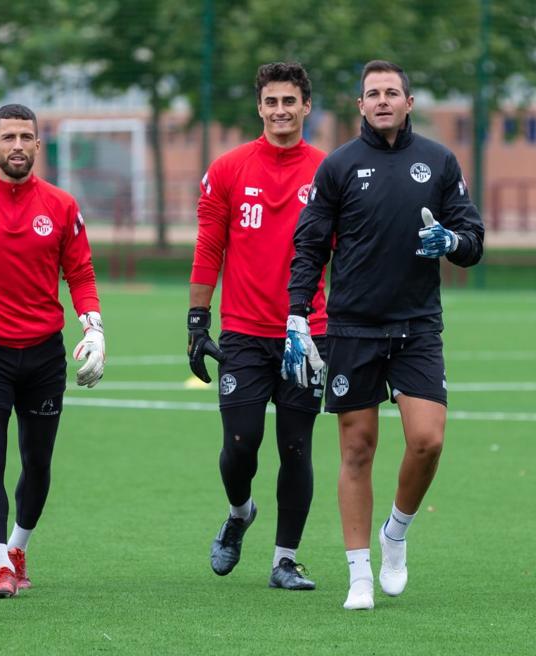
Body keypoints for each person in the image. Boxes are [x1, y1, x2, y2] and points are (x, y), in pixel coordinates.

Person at [285, 60, 484, 610]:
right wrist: (298, 315)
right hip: (353, 328)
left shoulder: (439, 161)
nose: (382, 100)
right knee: (357, 448)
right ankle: (360, 576)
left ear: (409, 101)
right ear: (360, 105)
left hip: (418, 327)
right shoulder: (339, 166)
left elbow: (473, 236)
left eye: (392, 92)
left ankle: (394, 534)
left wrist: (451, 242)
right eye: (372, 93)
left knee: (428, 439)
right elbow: (309, 246)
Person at [188, 62, 328, 590]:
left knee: (296, 447)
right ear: (260, 108)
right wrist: (198, 322)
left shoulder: (327, 171)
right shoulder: (227, 169)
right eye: (271, 102)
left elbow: (349, 251)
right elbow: (209, 248)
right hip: (244, 333)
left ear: (306, 107)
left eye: (289, 101)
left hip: (306, 332)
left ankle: (285, 560)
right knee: (240, 444)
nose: (280, 111)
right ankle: (240, 511)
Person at [0, 103, 105, 599]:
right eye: (9, 137)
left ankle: (19, 547)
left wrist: (94, 327)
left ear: (39, 146)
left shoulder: (62, 206)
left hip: (44, 356)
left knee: (37, 461)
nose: (18, 145)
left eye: (26, 137)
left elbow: (80, 274)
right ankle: (0, 565)